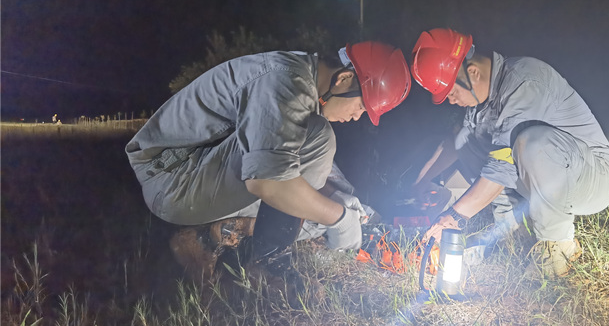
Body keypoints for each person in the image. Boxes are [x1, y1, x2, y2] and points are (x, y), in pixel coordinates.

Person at [126, 41, 411, 281]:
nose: (356, 116)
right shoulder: (284, 82)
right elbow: (269, 182)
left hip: (193, 172)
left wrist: (337, 199)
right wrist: (339, 219)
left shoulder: (299, 79)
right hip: (174, 180)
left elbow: (286, 165)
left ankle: (207, 238)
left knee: (312, 204)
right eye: (361, 106)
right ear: (345, 79)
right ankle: (268, 268)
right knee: (318, 144)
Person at [411, 28, 609, 278]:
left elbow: (503, 165)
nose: (450, 100)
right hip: (550, 176)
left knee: (532, 142)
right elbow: (453, 144)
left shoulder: (526, 81)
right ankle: (508, 226)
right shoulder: (482, 100)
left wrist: (455, 216)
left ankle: (557, 244)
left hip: (592, 177)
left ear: (472, 73)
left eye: (451, 92)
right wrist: (420, 182)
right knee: (465, 139)